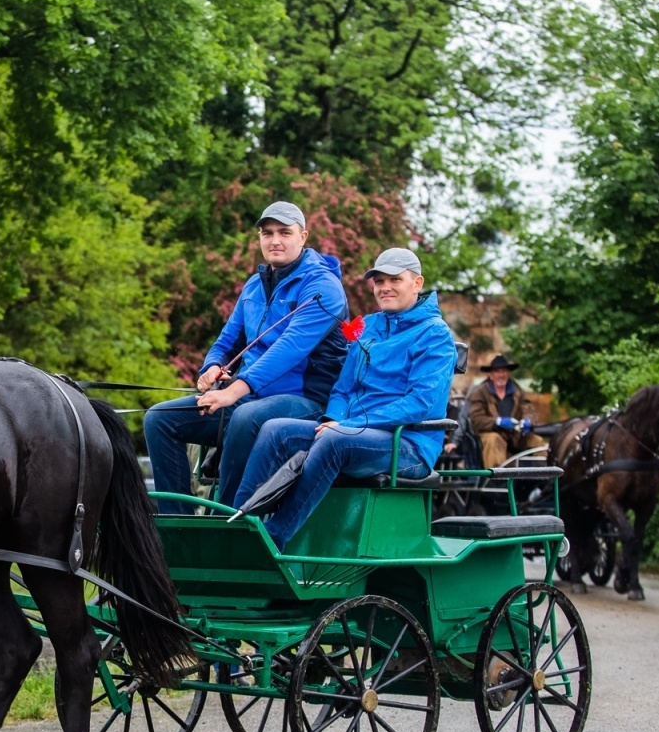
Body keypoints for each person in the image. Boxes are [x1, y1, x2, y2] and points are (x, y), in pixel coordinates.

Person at [233, 247, 456, 549]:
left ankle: (271, 541)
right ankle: (239, 524)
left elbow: (420, 404)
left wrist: (347, 425)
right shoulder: (370, 327)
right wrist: (333, 418)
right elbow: (341, 389)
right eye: (378, 281)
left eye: (395, 280)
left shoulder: (435, 334)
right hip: (353, 431)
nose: (385, 288)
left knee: (334, 441)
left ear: (417, 283)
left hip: (407, 445)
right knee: (274, 430)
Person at [144, 201, 349, 510]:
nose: (275, 240)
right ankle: (177, 528)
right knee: (160, 419)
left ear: (303, 237)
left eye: (284, 232)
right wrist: (212, 367)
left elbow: (289, 349)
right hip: (250, 398)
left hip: (307, 401)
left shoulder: (323, 288)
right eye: (267, 233)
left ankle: (225, 522)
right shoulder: (255, 285)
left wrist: (235, 390)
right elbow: (228, 339)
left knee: (244, 417)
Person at [466, 354, 545, 469]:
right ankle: (497, 479)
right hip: (490, 437)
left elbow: (529, 410)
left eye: (504, 371)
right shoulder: (480, 393)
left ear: (508, 373)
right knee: (495, 439)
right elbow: (477, 420)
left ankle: (542, 477)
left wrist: (527, 421)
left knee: (537, 441)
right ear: (491, 375)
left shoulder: (518, 392)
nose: (501, 375)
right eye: (497, 371)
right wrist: (497, 422)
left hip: (516, 437)